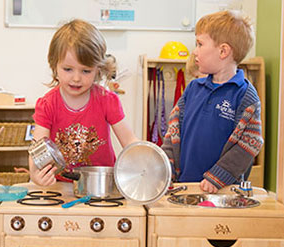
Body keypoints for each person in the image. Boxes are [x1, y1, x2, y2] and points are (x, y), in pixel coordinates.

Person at [161, 11, 263, 193]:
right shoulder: (192, 88)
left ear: (223, 51)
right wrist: (166, 169)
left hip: (223, 191)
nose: (195, 51)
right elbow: (173, 132)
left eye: (200, 44)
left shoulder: (245, 95)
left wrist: (218, 176)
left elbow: (250, 143)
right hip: (185, 187)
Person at [29, 19, 138, 186]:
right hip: (60, 185)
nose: (76, 78)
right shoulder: (47, 104)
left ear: (98, 70)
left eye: (86, 71)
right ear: (54, 66)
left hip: (101, 185)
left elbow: (130, 142)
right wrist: (36, 174)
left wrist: (145, 163)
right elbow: (37, 149)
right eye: (68, 69)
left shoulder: (107, 100)